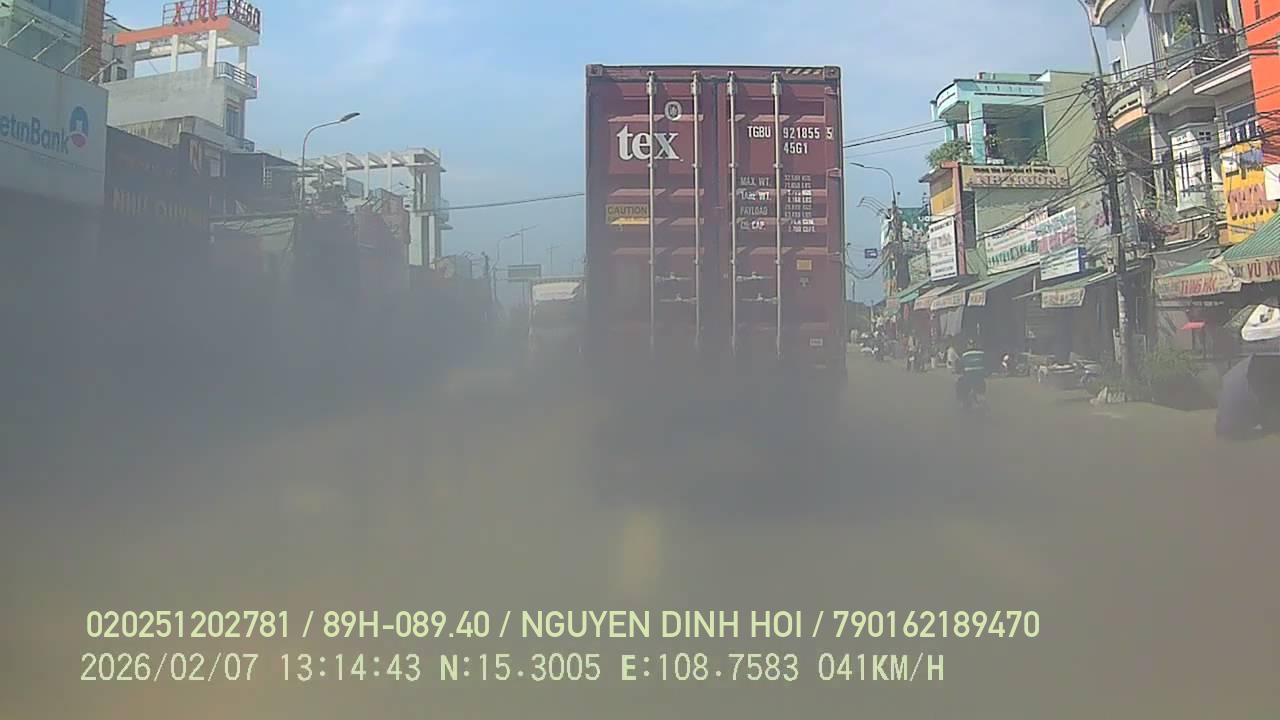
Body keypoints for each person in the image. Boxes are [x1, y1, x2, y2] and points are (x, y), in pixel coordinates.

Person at [956, 338, 988, 405]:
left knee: (959, 383)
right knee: (981, 391)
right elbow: (987, 364)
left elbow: (960, 366)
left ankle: (962, 400)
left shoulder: (964, 354)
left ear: (968, 345)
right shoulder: (982, 353)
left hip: (968, 378)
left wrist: (958, 370)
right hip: (980, 378)